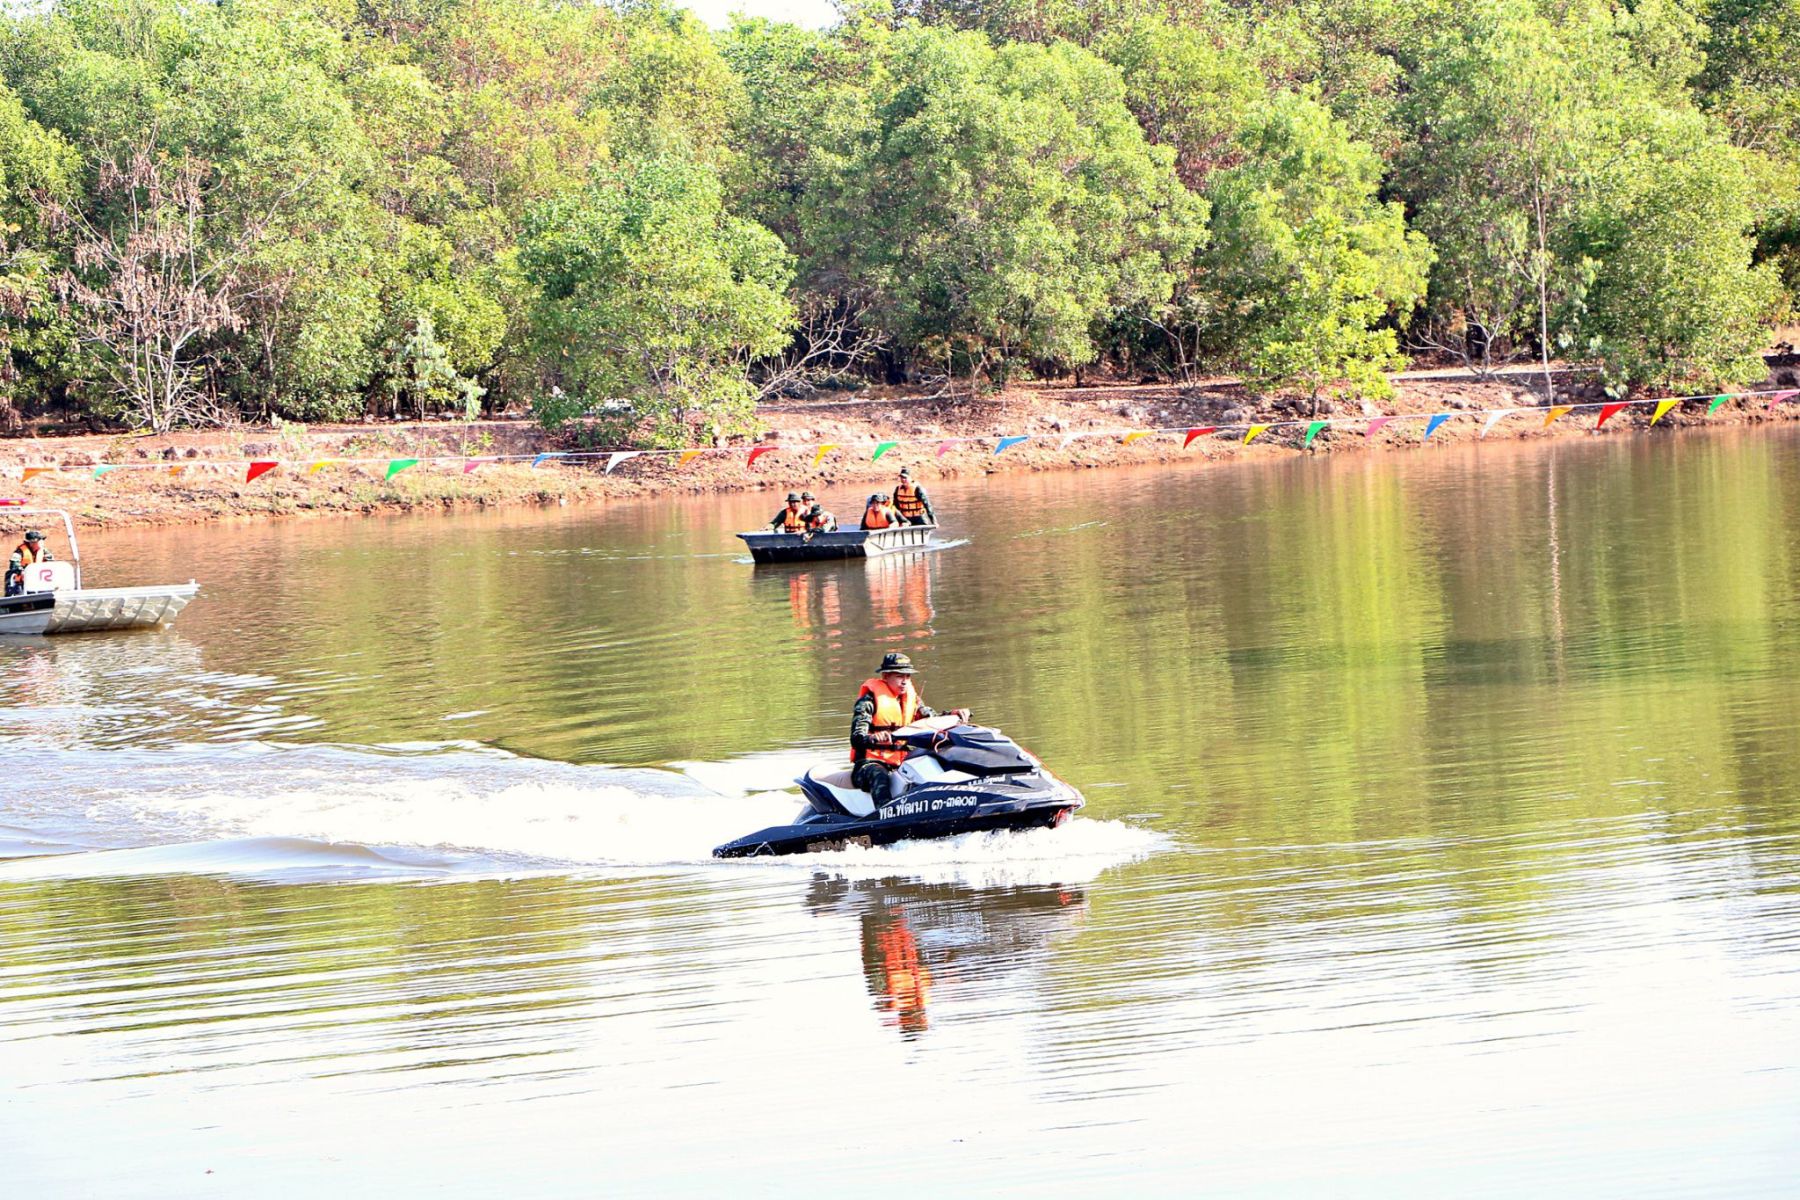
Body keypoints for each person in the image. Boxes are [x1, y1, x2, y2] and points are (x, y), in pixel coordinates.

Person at [849, 652, 969, 810]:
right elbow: (856, 738)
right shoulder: (868, 702)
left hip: (903, 761)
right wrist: (874, 738)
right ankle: (885, 816)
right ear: (885, 676)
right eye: (899, 676)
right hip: (869, 764)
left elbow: (931, 718)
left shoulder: (913, 700)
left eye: (908, 676)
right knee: (879, 775)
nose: (904, 681)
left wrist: (952, 715)